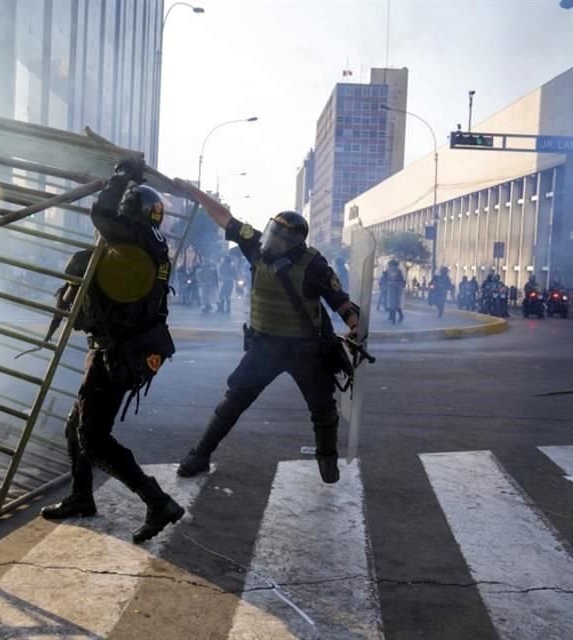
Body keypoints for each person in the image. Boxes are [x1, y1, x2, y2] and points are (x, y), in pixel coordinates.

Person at [173, 180, 360, 484]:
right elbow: (223, 215)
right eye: (273, 233)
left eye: (282, 238)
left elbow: (339, 300)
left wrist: (354, 325)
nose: (273, 241)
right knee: (233, 400)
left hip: (306, 351)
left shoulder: (314, 265)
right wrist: (191, 191)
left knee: (323, 408)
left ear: (296, 243)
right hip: (265, 348)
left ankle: (327, 459)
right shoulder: (255, 246)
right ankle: (200, 454)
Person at [39, 158, 184, 544]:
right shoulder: (153, 245)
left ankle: (157, 501)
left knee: (94, 439)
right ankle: (81, 495)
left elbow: (101, 212)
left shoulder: (133, 242)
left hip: (115, 353)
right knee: (77, 427)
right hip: (129, 350)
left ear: (130, 215)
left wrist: (120, 178)